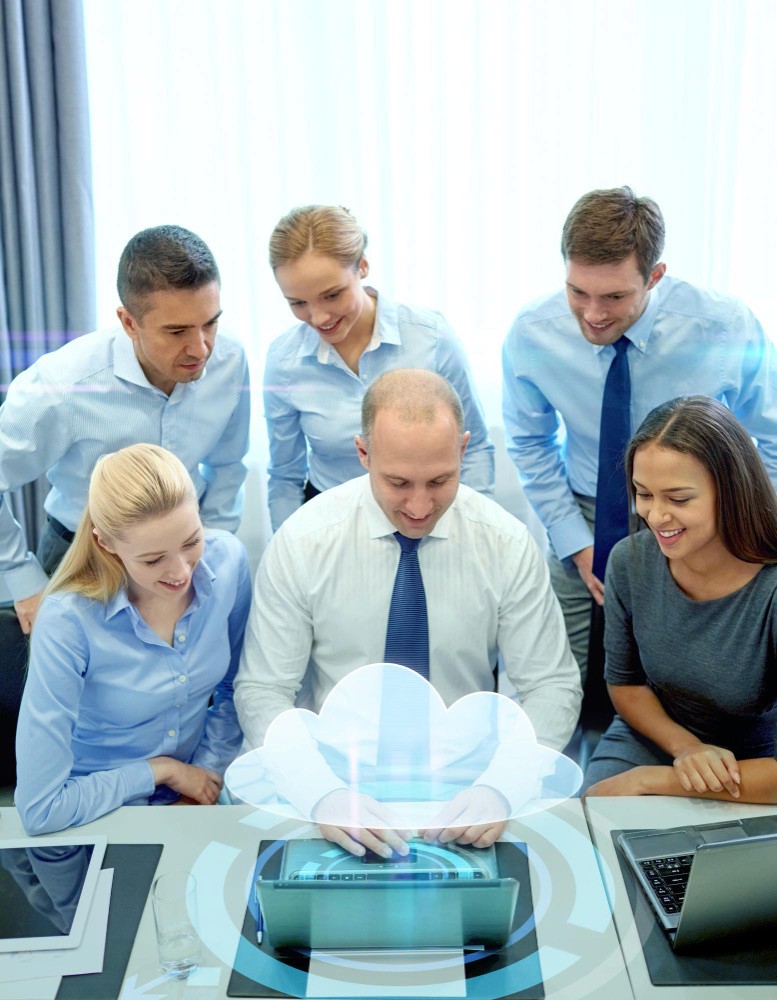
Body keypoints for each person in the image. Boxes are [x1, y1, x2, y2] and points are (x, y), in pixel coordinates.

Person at [235, 368, 581, 854]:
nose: (419, 506)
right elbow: (263, 690)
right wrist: (319, 792)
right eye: (398, 482)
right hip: (333, 781)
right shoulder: (303, 542)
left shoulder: (505, 544)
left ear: (463, 450)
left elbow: (552, 685)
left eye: (440, 480)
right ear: (362, 453)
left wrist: (502, 786)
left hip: (467, 791)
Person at [502, 186, 777, 679]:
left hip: (702, 516)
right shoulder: (532, 333)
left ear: (655, 276)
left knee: (681, 672)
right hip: (586, 514)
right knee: (564, 672)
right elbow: (529, 441)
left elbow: (773, 436)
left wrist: (743, 526)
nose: (592, 314)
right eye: (577, 292)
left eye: (614, 296)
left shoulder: (724, 327)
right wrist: (576, 542)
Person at [0, 224, 250, 634]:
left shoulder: (231, 361)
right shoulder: (61, 386)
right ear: (129, 322)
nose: (201, 348)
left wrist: (208, 552)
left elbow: (228, 465)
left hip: (183, 556)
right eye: (177, 331)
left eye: (210, 323)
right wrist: (23, 581)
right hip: (85, 560)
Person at [15, 444, 251, 835]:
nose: (180, 572)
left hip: (195, 797)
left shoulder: (229, 562)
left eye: (192, 541)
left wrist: (202, 775)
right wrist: (160, 773)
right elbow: (41, 810)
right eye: (153, 559)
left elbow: (235, 688)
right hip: (94, 813)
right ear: (105, 543)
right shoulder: (67, 619)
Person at [583, 396, 777, 801]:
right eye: (644, 494)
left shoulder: (770, 587)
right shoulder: (630, 561)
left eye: (678, 498)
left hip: (760, 765)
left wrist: (654, 780)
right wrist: (686, 749)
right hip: (655, 736)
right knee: (589, 828)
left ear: (732, 491)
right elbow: (626, 685)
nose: (655, 516)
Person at [264, 205, 494, 531]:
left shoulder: (431, 337)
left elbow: (475, 448)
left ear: (363, 267)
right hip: (331, 524)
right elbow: (285, 476)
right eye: (298, 303)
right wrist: (287, 549)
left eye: (332, 295)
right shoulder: (285, 362)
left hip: (430, 515)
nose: (318, 317)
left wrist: (472, 531)